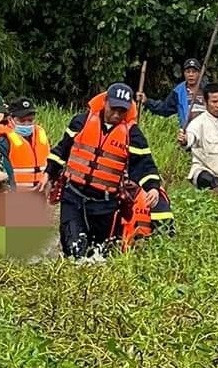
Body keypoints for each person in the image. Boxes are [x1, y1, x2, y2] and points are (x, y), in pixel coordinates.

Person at [46, 83, 162, 259]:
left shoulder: (133, 135)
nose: (116, 114)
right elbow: (62, 150)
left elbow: (144, 165)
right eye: (113, 108)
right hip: (73, 196)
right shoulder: (81, 122)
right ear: (105, 102)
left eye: (121, 111)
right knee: (73, 248)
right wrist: (48, 174)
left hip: (105, 203)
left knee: (98, 253)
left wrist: (152, 187)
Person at [139, 57, 206, 145]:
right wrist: (147, 101)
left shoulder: (207, 89)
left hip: (207, 133)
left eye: (194, 72)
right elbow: (164, 108)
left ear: (199, 73)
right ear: (184, 73)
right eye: (188, 72)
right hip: (189, 135)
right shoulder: (178, 91)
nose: (191, 75)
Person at [0, 98, 50, 191]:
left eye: (30, 120)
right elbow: (4, 173)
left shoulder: (41, 134)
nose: (26, 124)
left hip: (41, 194)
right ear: (10, 119)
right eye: (22, 121)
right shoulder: (4, 140)